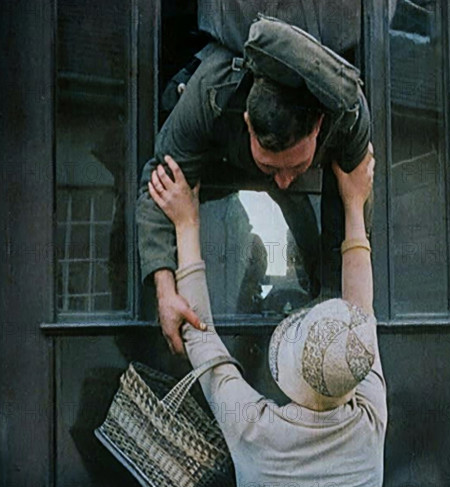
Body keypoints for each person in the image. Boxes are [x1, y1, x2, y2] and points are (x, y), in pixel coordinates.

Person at [147, 150, 385, 486]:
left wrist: (186, 223)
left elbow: (200, 336)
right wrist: (355, 204)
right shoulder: (369, 423)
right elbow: (363, 310)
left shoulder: (253, 429)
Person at [136, 35, 373, 355]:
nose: (286, 181)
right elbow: (158, 186)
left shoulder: (350, 114)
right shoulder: (211, 89)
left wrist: (331, 311)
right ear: (248, 123)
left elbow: (347, 215)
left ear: (318, 125)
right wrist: (165, 290)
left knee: (297, 206)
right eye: (272, 166)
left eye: (296, 165)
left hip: (302, 172)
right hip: (218, 160)